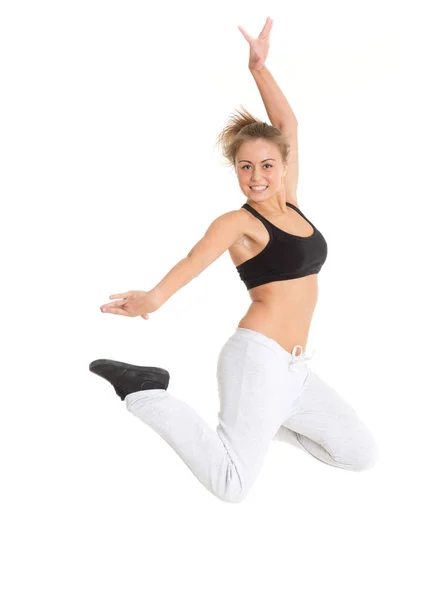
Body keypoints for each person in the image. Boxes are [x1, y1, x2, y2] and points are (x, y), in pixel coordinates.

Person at [89, 17, 379, 503]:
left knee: (359, 453)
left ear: (283, 166)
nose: (257, 176)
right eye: (246, 167)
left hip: (295, 371)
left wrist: (259, 68)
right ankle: (146, 393)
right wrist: (153, 298)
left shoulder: (291, 203)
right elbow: (193, 259)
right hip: (256, 361)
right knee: (231, 485)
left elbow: (288, 126)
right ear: (238, 172)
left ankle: (263, 418)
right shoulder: (238, 223)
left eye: (267, 165)